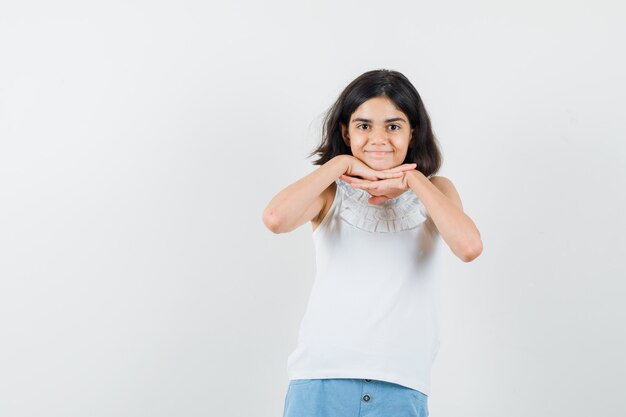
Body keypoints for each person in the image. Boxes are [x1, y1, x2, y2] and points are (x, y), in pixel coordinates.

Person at [262, 69, 483, 417]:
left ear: (413, 133)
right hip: (321, 378)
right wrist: (341, 163)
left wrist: (411, 179)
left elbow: (469, 247)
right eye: (363, 126)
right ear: (346, 132)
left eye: (393, 126)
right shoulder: (330, 192)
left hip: (400, 384)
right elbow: (276, 219)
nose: (378, 138)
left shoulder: (436, 191)